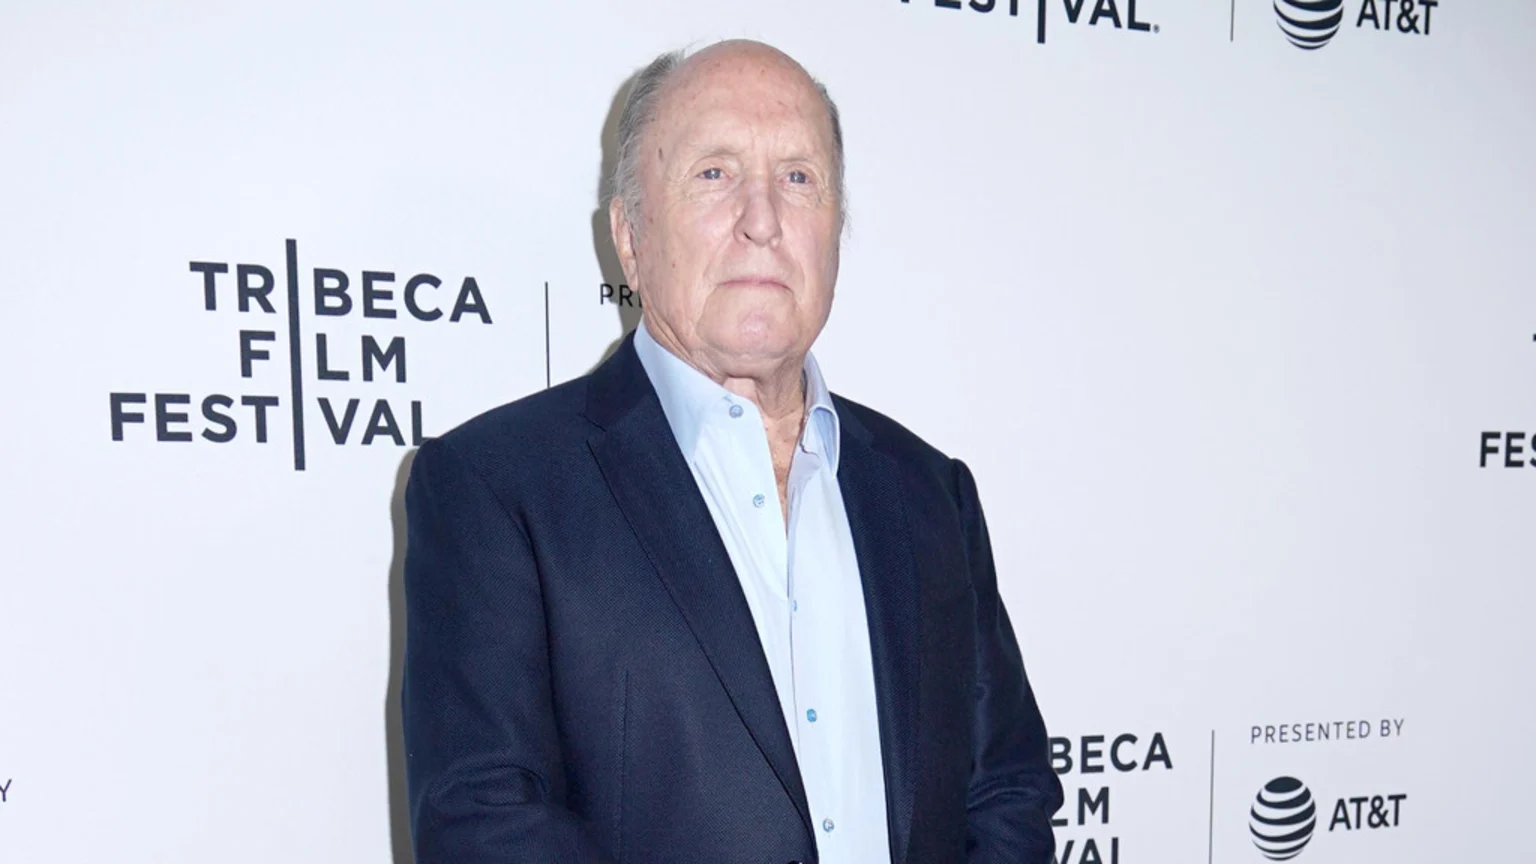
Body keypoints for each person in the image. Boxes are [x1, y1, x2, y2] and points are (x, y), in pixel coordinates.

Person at [401, 38, 1062, 864]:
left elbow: (1005, 789)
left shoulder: (933, 491)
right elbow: (488, 829)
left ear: (837, 231)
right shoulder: (495, 489)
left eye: (799, 178)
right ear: (630, 239)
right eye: (714, 174)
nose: (763, 220)